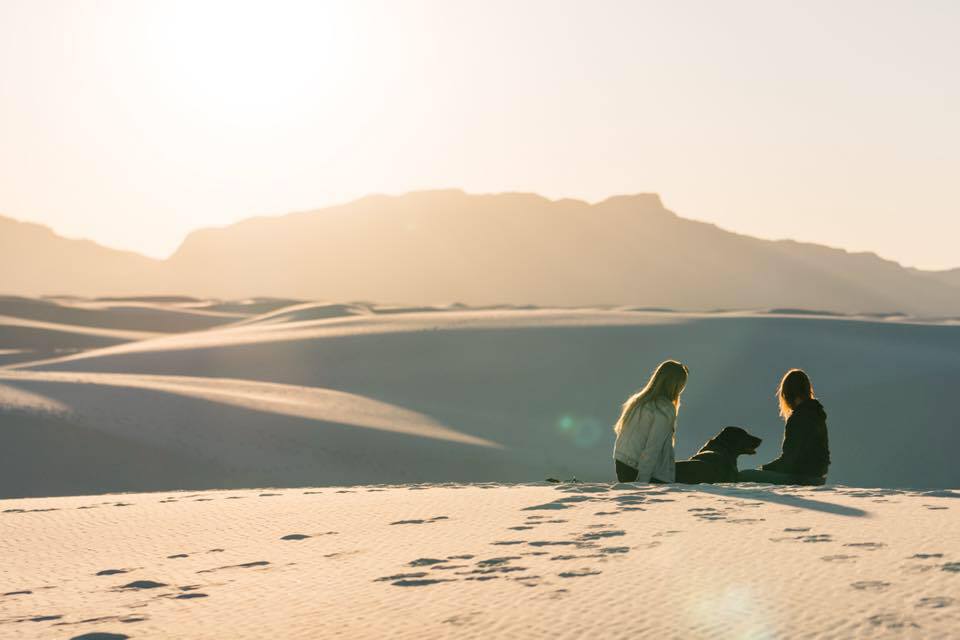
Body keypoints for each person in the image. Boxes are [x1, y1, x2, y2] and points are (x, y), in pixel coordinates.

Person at [738, 369, 830, 485]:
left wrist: (764, 468)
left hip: (802, 478)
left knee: (744, 476)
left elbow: (789, 460)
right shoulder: (817, 414)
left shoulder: (798, 418)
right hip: (818, 477)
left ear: (787, 394)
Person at [612, 360, 689, 483]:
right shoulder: (664, 408)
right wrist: (642, 483)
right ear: (676, 385)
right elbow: (653, 447)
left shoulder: (637, 401)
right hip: (640, 470)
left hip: (622, 463)